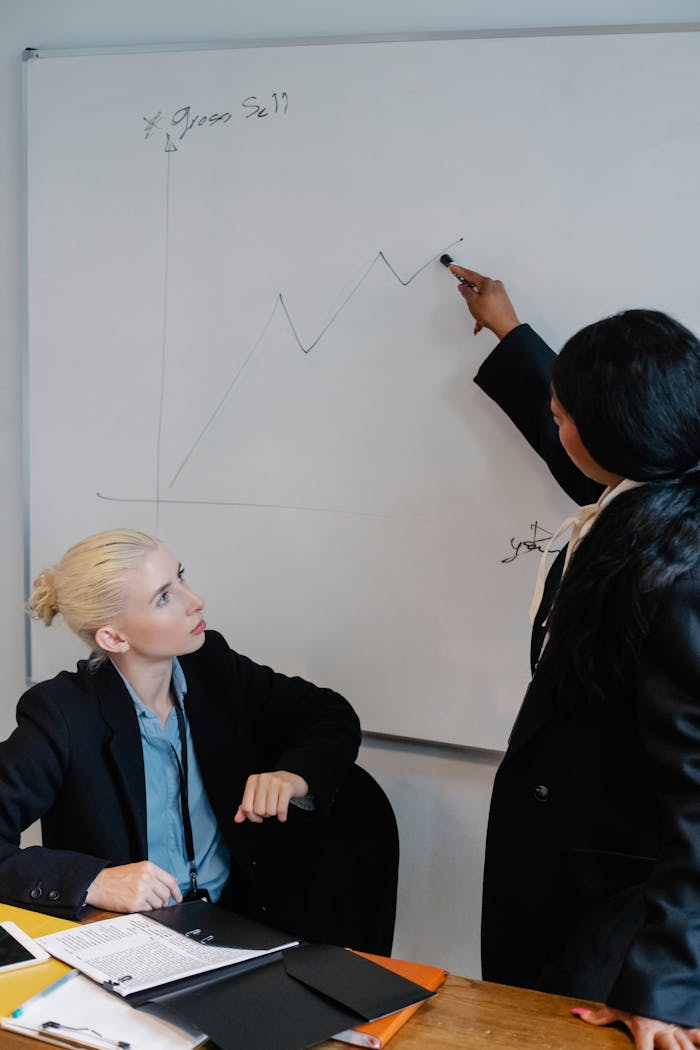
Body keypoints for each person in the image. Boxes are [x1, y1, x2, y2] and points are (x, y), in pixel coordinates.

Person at [449, 264, 700, 1049]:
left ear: (615, 430)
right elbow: (581, 466)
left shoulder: (681, 570)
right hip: (588, 874)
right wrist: (512, 333)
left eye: (561, 414)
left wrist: (669, 984)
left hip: (622, 914)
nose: (556, 425)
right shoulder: (653, 494)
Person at [0, 528, 360, 929]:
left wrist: (293, 775)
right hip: (128, 942)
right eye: (164, 597)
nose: (196, 602)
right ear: (114, 636)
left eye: (181, 577)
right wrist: (93, 881)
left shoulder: (213, 667)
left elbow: (330, 712)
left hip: (238, 921)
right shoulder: (63, 714)